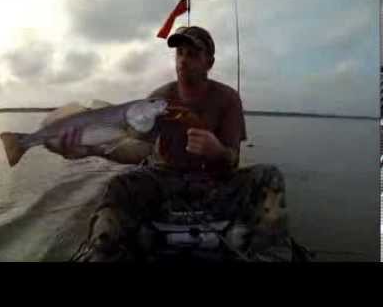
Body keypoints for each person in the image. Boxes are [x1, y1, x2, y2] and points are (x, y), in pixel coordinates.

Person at [48, 26, 289, 261]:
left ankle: (268, 252)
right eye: (179, 53)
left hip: (216, 182)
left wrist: (217, 150)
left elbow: (232, 159)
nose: (183, 61)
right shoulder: (159, 99)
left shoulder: (227, 98)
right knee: (118, 186)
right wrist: (90, 149)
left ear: (209, 63)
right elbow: (137, 149)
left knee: (270, 176)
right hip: (165, 179)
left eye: (193, 54)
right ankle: (100, 252)